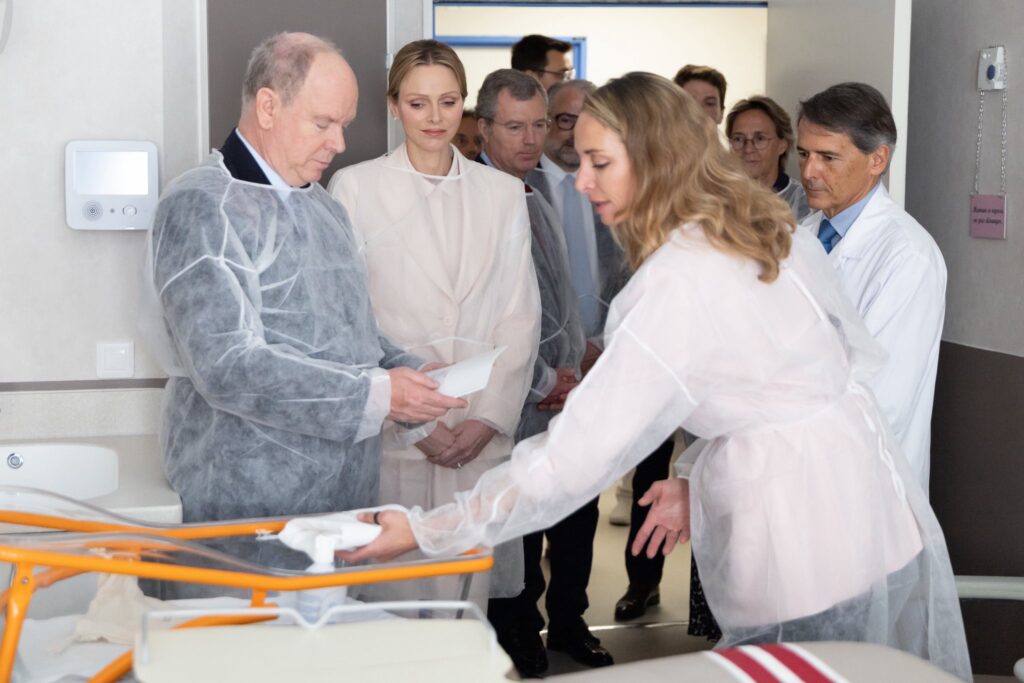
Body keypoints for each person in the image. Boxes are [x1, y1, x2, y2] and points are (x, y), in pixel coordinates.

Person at [341, 72, 972, 682]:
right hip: (862, 503)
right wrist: (700, 474)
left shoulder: (678, 278)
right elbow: (808, 381)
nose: (581, 180)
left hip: (798, 530)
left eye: (600, 162)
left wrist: (427, 529)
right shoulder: (764, 230)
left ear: (656, 160)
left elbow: (572, 460)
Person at [140, 32, 464, 526]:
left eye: (344, 125)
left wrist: (412, 373)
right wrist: (379, 394)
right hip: (246, 498)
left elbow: (349, 334)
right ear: (268, 107)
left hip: (346, 493)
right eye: (323, 123)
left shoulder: (322, 207)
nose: (340, 144)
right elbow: (227, 367)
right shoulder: (202, 206)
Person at [328, 42, 540, 608]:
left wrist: (489, 418)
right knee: (391, 601)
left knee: (464, 603)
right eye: (418, 103)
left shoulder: (501, 193)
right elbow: (348, 318)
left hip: (477, 432)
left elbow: (520, 312)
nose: (434, 118)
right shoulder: (355, 187)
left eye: (448, 102)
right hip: (395, 432)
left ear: (463, 104)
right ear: (394, 105)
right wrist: (416, 425)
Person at [472, 68, 610, 677]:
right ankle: (520, 630)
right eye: (515, 127)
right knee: (517, 522)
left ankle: (569, 621)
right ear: (483, 129)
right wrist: (539, 382)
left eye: (538, 125)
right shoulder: (473, 198)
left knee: (576, 513)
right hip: (512, 397)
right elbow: (482, 317)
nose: (530, 140)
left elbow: (563, 296)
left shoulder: (540, 191)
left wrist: (573, 366)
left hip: (569, 388)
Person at [797, 82, 946, 494]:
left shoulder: (908, 256)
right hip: (796, 468)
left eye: (827, 157)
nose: (808, 171)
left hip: (861, 481)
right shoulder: (802, 235)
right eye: (804, 153)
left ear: (877, 159)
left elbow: (881, 398)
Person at [727, 95, 810, 221]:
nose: (748, 149)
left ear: (782, 145)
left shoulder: (804, 205)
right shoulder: (715, 199)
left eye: (760, 138)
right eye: (738, 139)